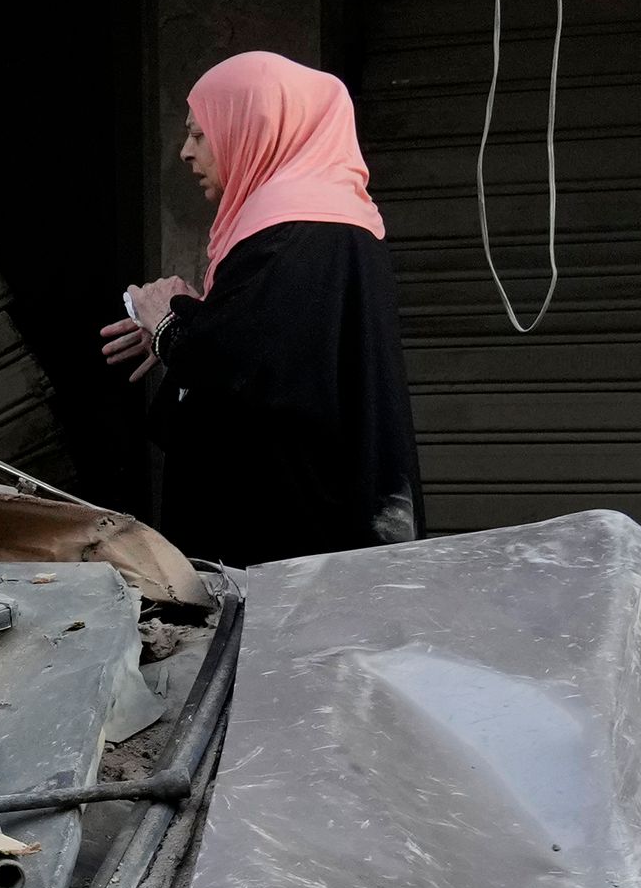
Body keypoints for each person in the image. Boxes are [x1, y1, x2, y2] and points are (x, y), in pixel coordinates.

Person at [101, 51, 422, 561]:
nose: (186, 152)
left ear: (255, 127)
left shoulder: (295, 234)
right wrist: (187, 325)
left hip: (287, 551)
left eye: (200, 133)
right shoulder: (314, 226)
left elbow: (248, 382)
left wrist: (170, 325)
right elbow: (269, 355)